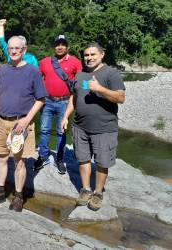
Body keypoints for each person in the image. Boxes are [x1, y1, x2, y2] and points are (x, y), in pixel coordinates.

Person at [0, 36, 47, 212]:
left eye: (17, 48)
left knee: (19, 162)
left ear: (24, 50)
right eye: (10, 48)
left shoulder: (33, 71)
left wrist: (27, 120)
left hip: (22, 124)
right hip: (1, 121)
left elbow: (41, 99)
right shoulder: (1, 69)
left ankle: (18, 196)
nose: (13, 51)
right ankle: (0, 191)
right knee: (1, 158)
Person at [61, 42, 125, 211]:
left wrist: (99, 89)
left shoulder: (111, 73)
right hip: (80, 126)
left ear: (102, 55)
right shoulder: (81, 75)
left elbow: (120, 97)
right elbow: (74, 98)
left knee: (102, 162)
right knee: (82, 159)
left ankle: (97, 193)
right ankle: (85, 189)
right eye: (86, 55)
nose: (89, 58)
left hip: (104, 128)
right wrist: (66, 116)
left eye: (92, 54)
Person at [34, 35, 82, 174]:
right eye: (57, 44)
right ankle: (43, 156)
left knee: (61, 131)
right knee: (44, 129)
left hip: (65, 102)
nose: (60, 47)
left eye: (63, 44)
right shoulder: (44, 62)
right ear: (54, 46)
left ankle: (60, 159)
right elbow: (37, 80)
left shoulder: (75, 62)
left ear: (67, 47)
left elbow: (80, 81)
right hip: (47, 101)